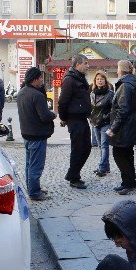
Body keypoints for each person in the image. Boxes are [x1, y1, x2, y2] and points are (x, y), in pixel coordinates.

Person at [17, 67, 57, 201]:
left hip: (27, 134)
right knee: (36, 165)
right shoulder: (37, 95)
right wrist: (53, 115)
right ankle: (34, 192)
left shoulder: (22, 92)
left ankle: (32, 188)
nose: (41, 80)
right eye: (40, 78)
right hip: (37, 135)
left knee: (29, 164)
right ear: (34, 79)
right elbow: (45, 116)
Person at [107, 60, 136, 195]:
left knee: (119, 154)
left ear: (120, 69)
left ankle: (129, 183)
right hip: (130, 125)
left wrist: (113, 128)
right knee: (127, 154)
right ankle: (128, 182)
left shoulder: (125, 85)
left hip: (125, 127)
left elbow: (123, 109)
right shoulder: (132, 82)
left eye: (117, 68)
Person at [59, 54, 92, 189]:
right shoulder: (70, 80)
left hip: (82, 118)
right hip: (74, 119)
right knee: (78, 149)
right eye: (85, 63)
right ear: (77, 64)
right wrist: (63, 118)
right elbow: (63, 101)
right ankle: (73, 177)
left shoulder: (80, 78)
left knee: (86, 148)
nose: (87, 65)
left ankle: (74, 174)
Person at [90, 71, 113, 177]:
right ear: (95, 81)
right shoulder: (92, 93)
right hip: (95, 123)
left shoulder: (110, 94)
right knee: (100, 146)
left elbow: (113, 109)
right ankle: (106, 167)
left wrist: (106, 117)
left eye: (101, 79)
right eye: (98, 79)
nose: (99, 81)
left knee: (104, 146)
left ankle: (102, 168)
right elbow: (91, 108)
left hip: (105, 123)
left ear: (105, 81)